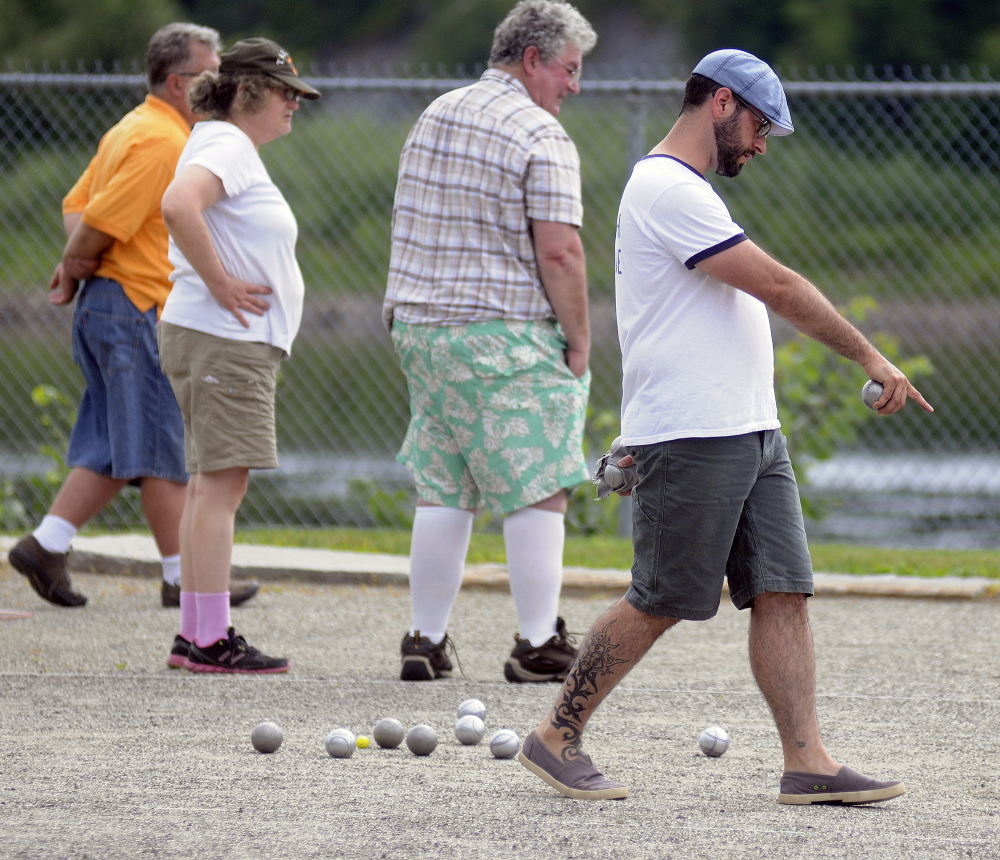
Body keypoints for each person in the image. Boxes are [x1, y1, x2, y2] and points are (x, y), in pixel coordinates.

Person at [519, 49, 934, 802]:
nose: (763, 145)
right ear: (719, 103)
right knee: (662, 596)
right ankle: (555, 735)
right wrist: (869, 355)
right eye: (760, 126)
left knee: (782, 590)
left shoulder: (693, 192)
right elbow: (776, 283)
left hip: (751, 429)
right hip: (690, 432)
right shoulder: (664, 188)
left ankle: (807, 762)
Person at [7, 23, 258, 611]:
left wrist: (84, 264)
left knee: (110, 448)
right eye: (211, 73)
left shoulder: (133, 126)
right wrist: (77, 262)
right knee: (158, 448)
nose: (221, 83)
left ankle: (46, 545)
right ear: (178, 82)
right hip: (135, 306)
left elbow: (76, 204)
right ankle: (182, 578)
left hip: (110, 306)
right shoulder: (162, 143)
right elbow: (95, 222)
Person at [382, 0, 597, 684]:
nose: (575, 85)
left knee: (445, 486)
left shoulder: (436, 111)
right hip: (502, 331)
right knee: (540, 486)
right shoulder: (541, 133)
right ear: (532, 59)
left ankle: (425, 638)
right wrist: (580, 340)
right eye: (569, 68)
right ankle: (538, 644)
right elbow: (560, 252)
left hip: (420, 329)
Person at [158, 37, 320, 673]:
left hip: (214, 339)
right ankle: (209, 637)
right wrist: (222, 282)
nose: (294, 105)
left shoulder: (225, 144)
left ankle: (197, 630)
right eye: (286, 93)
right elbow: (177, 205)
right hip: (223, 339)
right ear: (249, 90)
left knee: (208, 485)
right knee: (222, 488)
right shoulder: (226, 143)